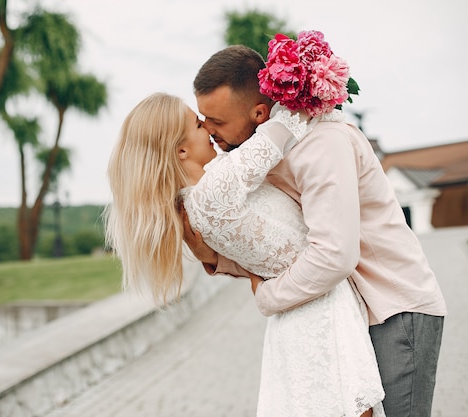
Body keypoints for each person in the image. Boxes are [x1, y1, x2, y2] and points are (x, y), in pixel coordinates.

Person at [186, 32, 447, 417]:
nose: (208, 129)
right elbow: (285, 236)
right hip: (359, 309)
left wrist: (269, 297)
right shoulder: (270, 150)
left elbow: (334, 256)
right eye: (203, 118)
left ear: (259, 113)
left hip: (394, 308)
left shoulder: (322, 144)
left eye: (217, 120)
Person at [106, 91, 385, 416]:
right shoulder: (215, 191)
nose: (209, 129)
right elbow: (284, 125)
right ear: (181, 150)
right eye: (199, 124)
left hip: (297, 316)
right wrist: (302, 79)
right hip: (322, 309)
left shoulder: (194, 208)